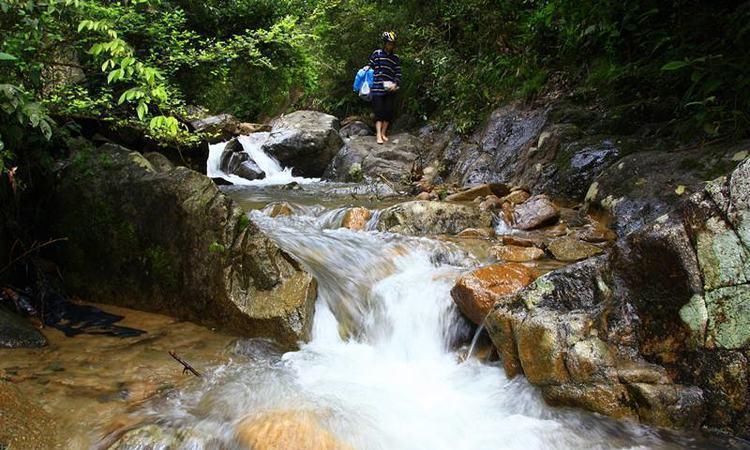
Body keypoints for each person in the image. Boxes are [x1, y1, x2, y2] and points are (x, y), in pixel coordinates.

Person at [369, 31, 402, 144]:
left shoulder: (395, 58)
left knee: (388, 112)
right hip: (377, 87)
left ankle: (383, 133)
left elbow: (398, 73)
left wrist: (395, 83)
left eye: (392, 44)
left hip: (390, 88)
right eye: (388, 43)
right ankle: (378, 134)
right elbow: (370, 66)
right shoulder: (377, 54)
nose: (390, 46)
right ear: (384, 43)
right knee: (379, 111)